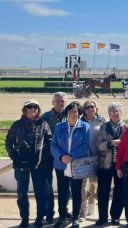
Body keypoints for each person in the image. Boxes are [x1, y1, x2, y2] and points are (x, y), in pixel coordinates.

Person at [6, 99, 52, 228]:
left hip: (39, 165)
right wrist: (15, 158)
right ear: (25, 110)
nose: (33, 110)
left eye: (35, 107)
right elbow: (8, 142)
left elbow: (49, 142)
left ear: (38, 110)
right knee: (21, 193)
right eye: (29, 107)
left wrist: (43, 158)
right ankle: (24, 218)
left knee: (40, 193)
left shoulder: (43, 123)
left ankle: (39, 218)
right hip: (21, 166)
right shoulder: (16, 125)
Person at [51, 101, 90, 228]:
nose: (72, 114)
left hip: (77, 164)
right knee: (62, 192)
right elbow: (53, 145)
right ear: (66, 114)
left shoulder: (85, 127)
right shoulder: (59, 126)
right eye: (70, 112)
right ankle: (62, 217)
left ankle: (75, 218)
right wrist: (62, 156)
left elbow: (86, 146)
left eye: (75, 112)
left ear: (79, 113)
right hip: (61, 164)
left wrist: (72, 156)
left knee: (76, 191)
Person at [95, 102, 127, 226]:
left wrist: (121, 143)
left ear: (121, 113)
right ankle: (102, 217)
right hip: (105, 164)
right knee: (103, 192)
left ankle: (115, 216)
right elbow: (98, 145)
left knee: (119, 191)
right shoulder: (103, 127)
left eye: (117, 111)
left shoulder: (126, 127)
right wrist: (110, 143)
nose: (115, 114)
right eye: (112, 111)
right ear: (109, 114)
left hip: (121, 165)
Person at [42, 91, 68, 223]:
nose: (59, 103)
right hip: (47, 156)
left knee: (64, 186)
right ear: (52, 102)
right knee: (47, 186)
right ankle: (49, 212)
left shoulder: (69, 115)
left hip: (63, 157)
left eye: (62, 101)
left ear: (66, 102)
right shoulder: (45, 116)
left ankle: (64, 211)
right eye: (57, 101)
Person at [79, 100, 106, 221]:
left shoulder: (102, 121)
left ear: (96, 109)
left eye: (92, 107)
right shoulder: (80, 121)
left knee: (94, 184)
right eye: (87, 107)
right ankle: (82, 211)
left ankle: (91, 204)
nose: (90, 109)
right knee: (83, 185)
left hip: (97, 157)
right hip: (83, 158)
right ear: (84, 110)